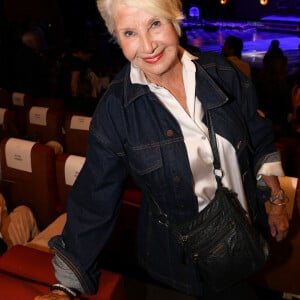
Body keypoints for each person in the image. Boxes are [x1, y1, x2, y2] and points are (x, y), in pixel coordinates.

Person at [35, 0, 289, 299]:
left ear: (175, 18)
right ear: (117, 37)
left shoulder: (223, 73)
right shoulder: (116, 110)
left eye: (155, 23)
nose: (147, 46)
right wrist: (64, 287)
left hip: (242, 238)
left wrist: (276, 199)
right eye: (129, 33)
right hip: (174, 268)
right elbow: (94, 199)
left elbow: (258, 138)